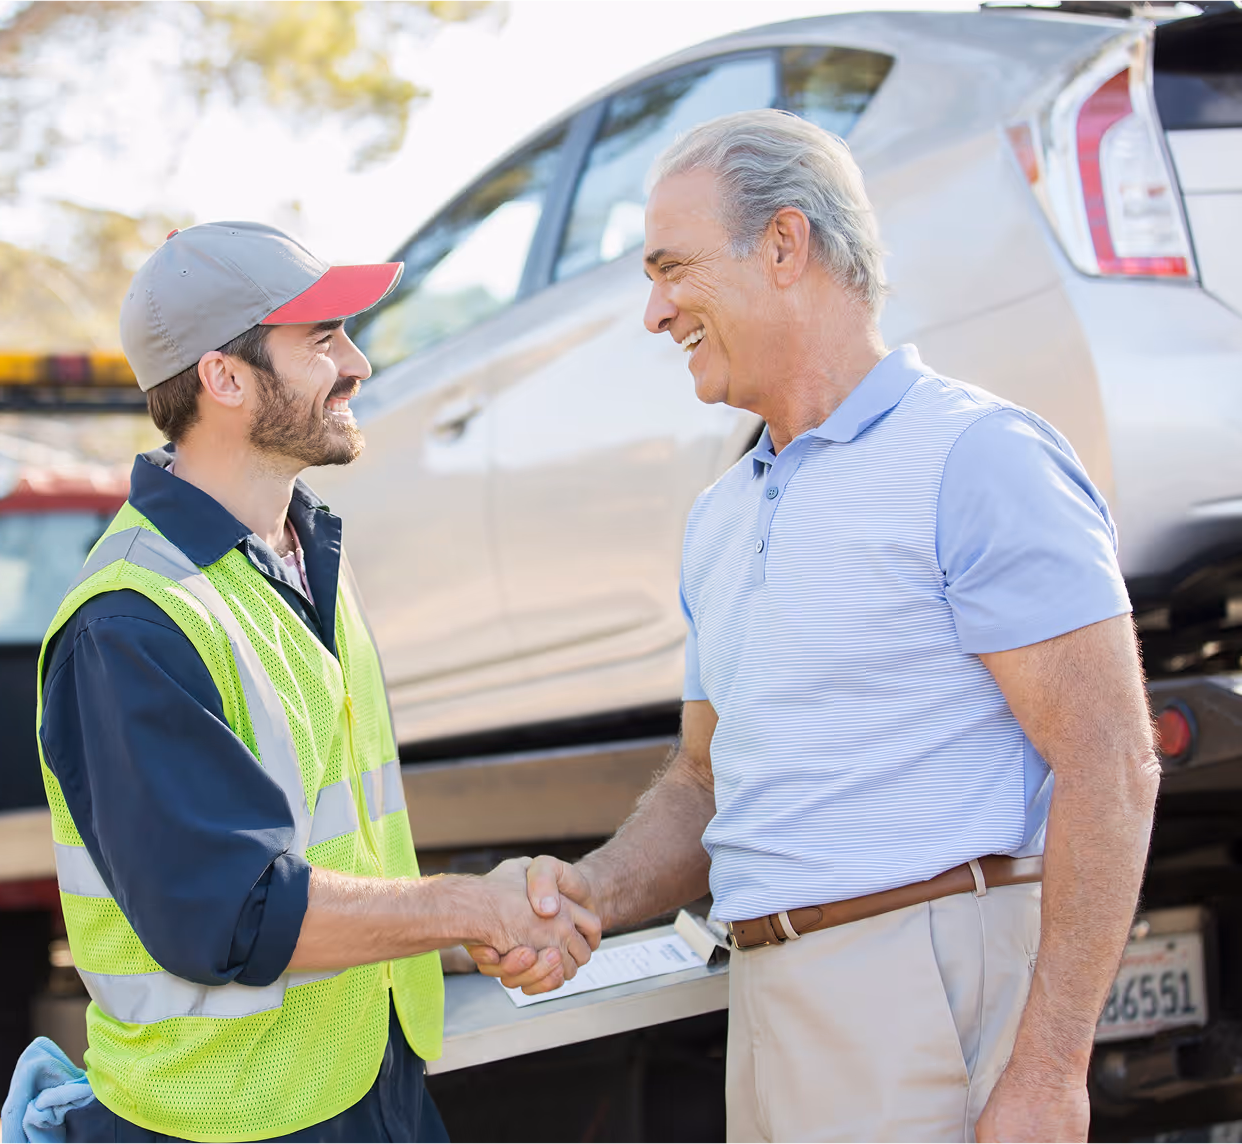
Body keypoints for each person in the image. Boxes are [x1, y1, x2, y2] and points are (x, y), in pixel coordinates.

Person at [470, 110, 1160, 1143]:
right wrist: (593, 891)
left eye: (672, 268)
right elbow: (708, 781)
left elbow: (1111, 761)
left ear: (785, 244)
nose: (655, 313)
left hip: (928, 992)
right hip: (765, 1002)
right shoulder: (721, 515)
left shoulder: (976, 457)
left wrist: (1053, 1066)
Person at [27, 222, 599, 1144]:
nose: (359, 363)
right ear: (224, 378)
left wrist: (464, 935)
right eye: (323, 339)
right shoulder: (130, 621)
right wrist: (469, 903)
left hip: (370, 1084)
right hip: (229, 1118)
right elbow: (233, 912)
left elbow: (345, 845)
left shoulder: (302, 557)